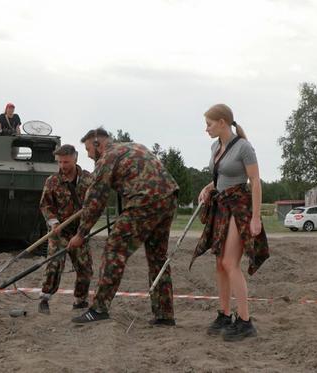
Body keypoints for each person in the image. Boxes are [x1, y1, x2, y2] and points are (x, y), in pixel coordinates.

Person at [67, 128, 179, 326]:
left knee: (114, 249)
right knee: (157, 257)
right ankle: (164, 314)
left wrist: (81, 234)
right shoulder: (133, 147)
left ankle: (98, 309)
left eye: (87, 150)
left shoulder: (106, 159)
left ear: (97, 143)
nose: (88, 155)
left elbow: (95, 201)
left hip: (143, 201)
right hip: (169, 198)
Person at [191, 103, 270, 342]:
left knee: (229, 262)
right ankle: (224, 315)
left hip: (240, 207)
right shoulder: (216, 146)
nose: (206, 129)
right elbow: (220, 178)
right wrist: (207, 188)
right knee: (219, 264)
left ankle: (245, 322)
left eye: (209, 124)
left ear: (223, 122)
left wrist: (256, 218)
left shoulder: (244, 147)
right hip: (220, 207)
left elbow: (255, 181)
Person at [38, 144, 94, 314]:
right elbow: (45, 205)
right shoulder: (52, 181)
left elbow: (96, 204)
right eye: (60, 162)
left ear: (75, 158)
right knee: (54, 265)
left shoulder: (88, 180)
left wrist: (84, 229)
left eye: (66, 162)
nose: (63, 166)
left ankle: (80, 301)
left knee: (85, 268)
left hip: (80, 231)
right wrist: (53, 222)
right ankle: (44, 299)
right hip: (59, 232)